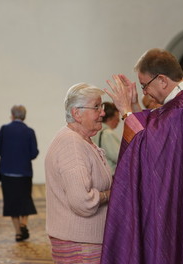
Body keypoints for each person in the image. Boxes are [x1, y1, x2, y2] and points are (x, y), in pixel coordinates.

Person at [101, 48, 183, 263]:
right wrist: (133, 107)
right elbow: (154, 131)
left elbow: (149, 147)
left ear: (161, 79)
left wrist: (125, 110)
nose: (145, 93)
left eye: (145, 85)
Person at [45, 83, 113, 263]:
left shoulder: (81, 140)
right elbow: (82, 202)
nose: (103, 113)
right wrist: (108, 195)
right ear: (77, 113)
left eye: (102, 106)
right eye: (96, 107)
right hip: (80, 244)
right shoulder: (72, 144)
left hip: (84, 241)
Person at [0, 105, 39, 242]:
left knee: (11, 202)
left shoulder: (4, 129)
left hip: (7, 172)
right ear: (24, 116)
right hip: (24, 172)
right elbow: (34, 153)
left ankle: (18, 231)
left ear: (12, 115)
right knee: (25, 200)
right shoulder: (29, 131)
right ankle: (24, 224)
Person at [92, 102, 120, 174]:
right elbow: (119, 157)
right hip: (111, 175)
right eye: (117, 119)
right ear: (110, 118)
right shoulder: (107, 133)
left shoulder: (95, 132)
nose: (119, 121)